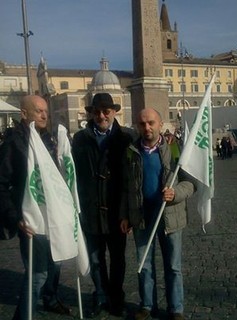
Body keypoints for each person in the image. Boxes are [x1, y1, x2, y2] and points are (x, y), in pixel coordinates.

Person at [120, 108, 195, 320]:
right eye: (142, 124)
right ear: (137, 126)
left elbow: (191, 183)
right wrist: (124, 215)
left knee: (173, 266)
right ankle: (146, 304)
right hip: (142, 216)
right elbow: (126, 187)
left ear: (160, 124)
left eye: (151, 123)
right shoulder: (131, 151)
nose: (147, 127)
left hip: (170, 216)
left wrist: (175, 193)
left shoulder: (174, 148)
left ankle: (176, 308)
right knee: (145, 263)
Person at [0, 95, 71, 320]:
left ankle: (50, 298)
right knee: (38, 274)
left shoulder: (47, 139)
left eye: (46, 112)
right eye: (39, 111)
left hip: (52, 215)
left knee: (57, 262)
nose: (44, 115)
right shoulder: (14, 142)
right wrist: (15, 217)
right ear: (24, 113)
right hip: (31, 218)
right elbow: (1, 184)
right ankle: (23, 316)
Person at [72, 93, 132, 318]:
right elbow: (72, 174)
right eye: (97, 111)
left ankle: (116, 297)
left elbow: (132, 179)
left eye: (106, 110)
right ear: (91, 113)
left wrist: (130, 212)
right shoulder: (79, 138)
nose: (101, 115)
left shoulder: (126, 138)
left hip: (117, 213)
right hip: (90, 210)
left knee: (118, 260)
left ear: (114, 112)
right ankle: (100, 294)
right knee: (96, 259)